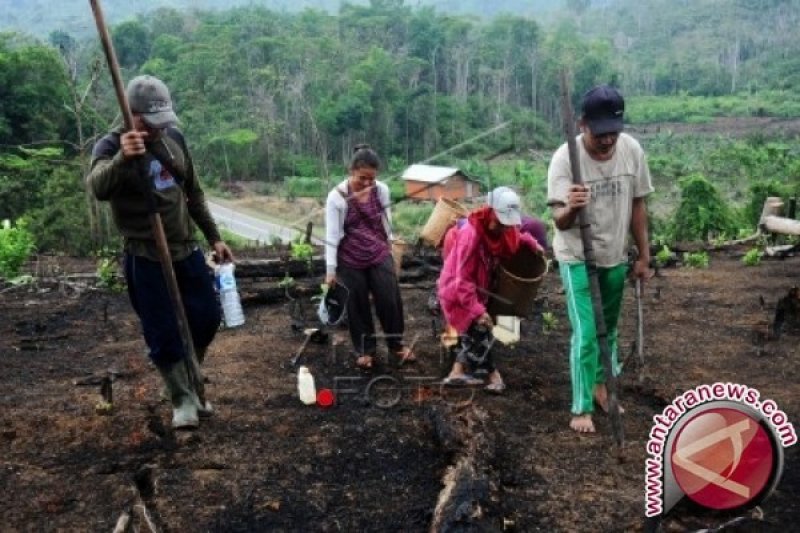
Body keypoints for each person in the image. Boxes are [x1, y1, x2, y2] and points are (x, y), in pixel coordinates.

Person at [86, 75, 233, 430]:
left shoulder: (175, 140)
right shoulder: (107, 147)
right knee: (162, 330)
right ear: (131, 115)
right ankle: (182, 397)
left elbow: (193, 193)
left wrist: (214, 237)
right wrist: (124, 157)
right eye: (150, 124)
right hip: (144, 255)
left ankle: (194, 379)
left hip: (185, 247)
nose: (157, 130)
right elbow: (97, 188)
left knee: (206, 317)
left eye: (162, 123)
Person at [547, 84, 653, 433]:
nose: (608, 141)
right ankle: (581, 407)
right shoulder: (566, 159)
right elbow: (559, 222)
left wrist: (643, 255)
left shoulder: (631, 151)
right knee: (588, 333)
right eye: (600, 133)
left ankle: (602, 387)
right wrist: (572, 207)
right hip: (577, 255)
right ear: (583, 125)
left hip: (614, 255)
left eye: (614, 132)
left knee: (608, 328)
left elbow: (638, 204)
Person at [437, 187, 543, 394]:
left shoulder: (505, 230)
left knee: (469, 333)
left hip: (479, 287)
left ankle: (456, 372)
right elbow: (462, 281)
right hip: (456, 289)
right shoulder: (471, 235)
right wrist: (477, 310)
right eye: (500, 221)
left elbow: (517, 237)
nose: (503, 227)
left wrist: (533, 243)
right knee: (479, 328)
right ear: (490, 211)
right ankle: (492, 375)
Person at [324, 144, 414, 370]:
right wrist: (330, 270)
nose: (367, 183)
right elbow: (332, 236)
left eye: (371, 179)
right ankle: (365, 350)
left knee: (389, 299)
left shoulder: (381, 190)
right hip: (350, 259)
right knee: (357, 304)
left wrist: (391, 247)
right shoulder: (336, 197)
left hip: (377, 253)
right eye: (362, 177)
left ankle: (396, 345)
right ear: (351, 170)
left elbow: (386, 222)